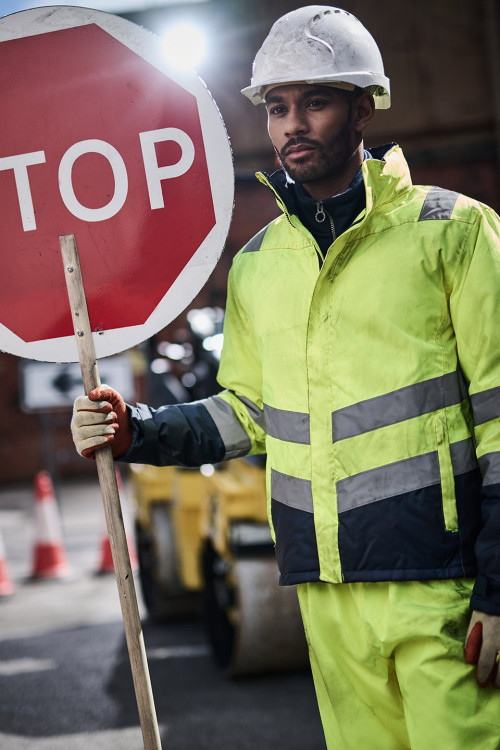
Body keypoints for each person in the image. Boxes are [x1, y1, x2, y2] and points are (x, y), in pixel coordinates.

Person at [71, 6, 500, 749]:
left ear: (363, 107)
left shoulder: (453, 232)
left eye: (316, 101)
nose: (292, 124)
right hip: (323, 591)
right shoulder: (260, 264)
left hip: (444, 586)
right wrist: (133, 428)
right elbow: (247, 413)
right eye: (277, 107)